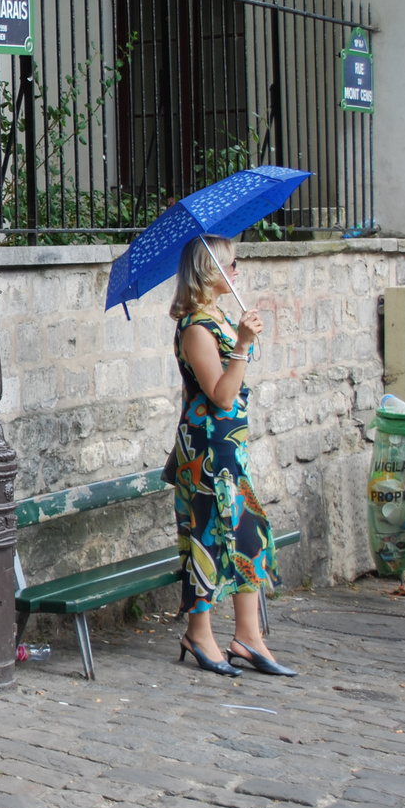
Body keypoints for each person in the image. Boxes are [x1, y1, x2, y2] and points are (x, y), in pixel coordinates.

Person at [168, 238, 297, 678]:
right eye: (230, 264)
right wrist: (242, 344)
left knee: (249, 535)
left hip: (229, 448)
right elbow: (221, 396)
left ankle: (248, 637)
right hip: (204, 452)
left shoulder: (219, 318)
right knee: (205, 538)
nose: (237, 269)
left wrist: (241, 337)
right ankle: (199, 634)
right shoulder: (195, 329)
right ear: (210, 270)